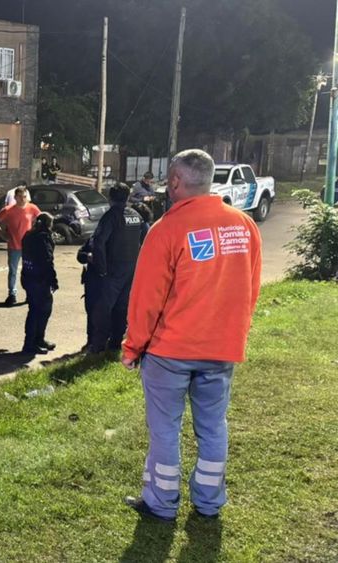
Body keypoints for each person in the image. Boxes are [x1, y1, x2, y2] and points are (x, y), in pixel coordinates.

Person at [122, 149, 262, 522]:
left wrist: (133, 346)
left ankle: (161, 502)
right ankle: (209, 502)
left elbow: (147, 299)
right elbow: (251, 288)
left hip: (170, 351)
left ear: (175, 182)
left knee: (165, 429)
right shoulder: (243, 226)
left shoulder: (166, 229)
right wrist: (236, 332)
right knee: (213, 426)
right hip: (221, 349)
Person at [84, 183, 145, 353]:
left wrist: (101, 268)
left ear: (110, 198)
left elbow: (99, 242)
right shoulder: (135, 216)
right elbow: (143, 240)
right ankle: (116, 343)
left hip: (113, 269)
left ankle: (98, 345)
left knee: (103, 308)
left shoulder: (110, 216)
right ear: (127, 197)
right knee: (122, 307)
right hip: (131, 269)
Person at [0, 187, 41, 306]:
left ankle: (30, 293)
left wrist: (36, 234)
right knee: (13, 271)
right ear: (15, 197)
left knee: (29, 271)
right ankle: (12, 294)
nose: (22, 199)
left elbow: (41, 220)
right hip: (14, 245)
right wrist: (2, 234)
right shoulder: (8, 210)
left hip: (28, 247)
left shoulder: (32, 208)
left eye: (24, 196)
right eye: (20, 196)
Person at [20, 213, 58, 354]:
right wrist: (53, 280)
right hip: (39, 280)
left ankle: (37, 339)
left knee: (35, 309)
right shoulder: (43, 238)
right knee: (40, 311)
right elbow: (47, 261)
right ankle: (31, 343)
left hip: (28, 277)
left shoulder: (28, 235)